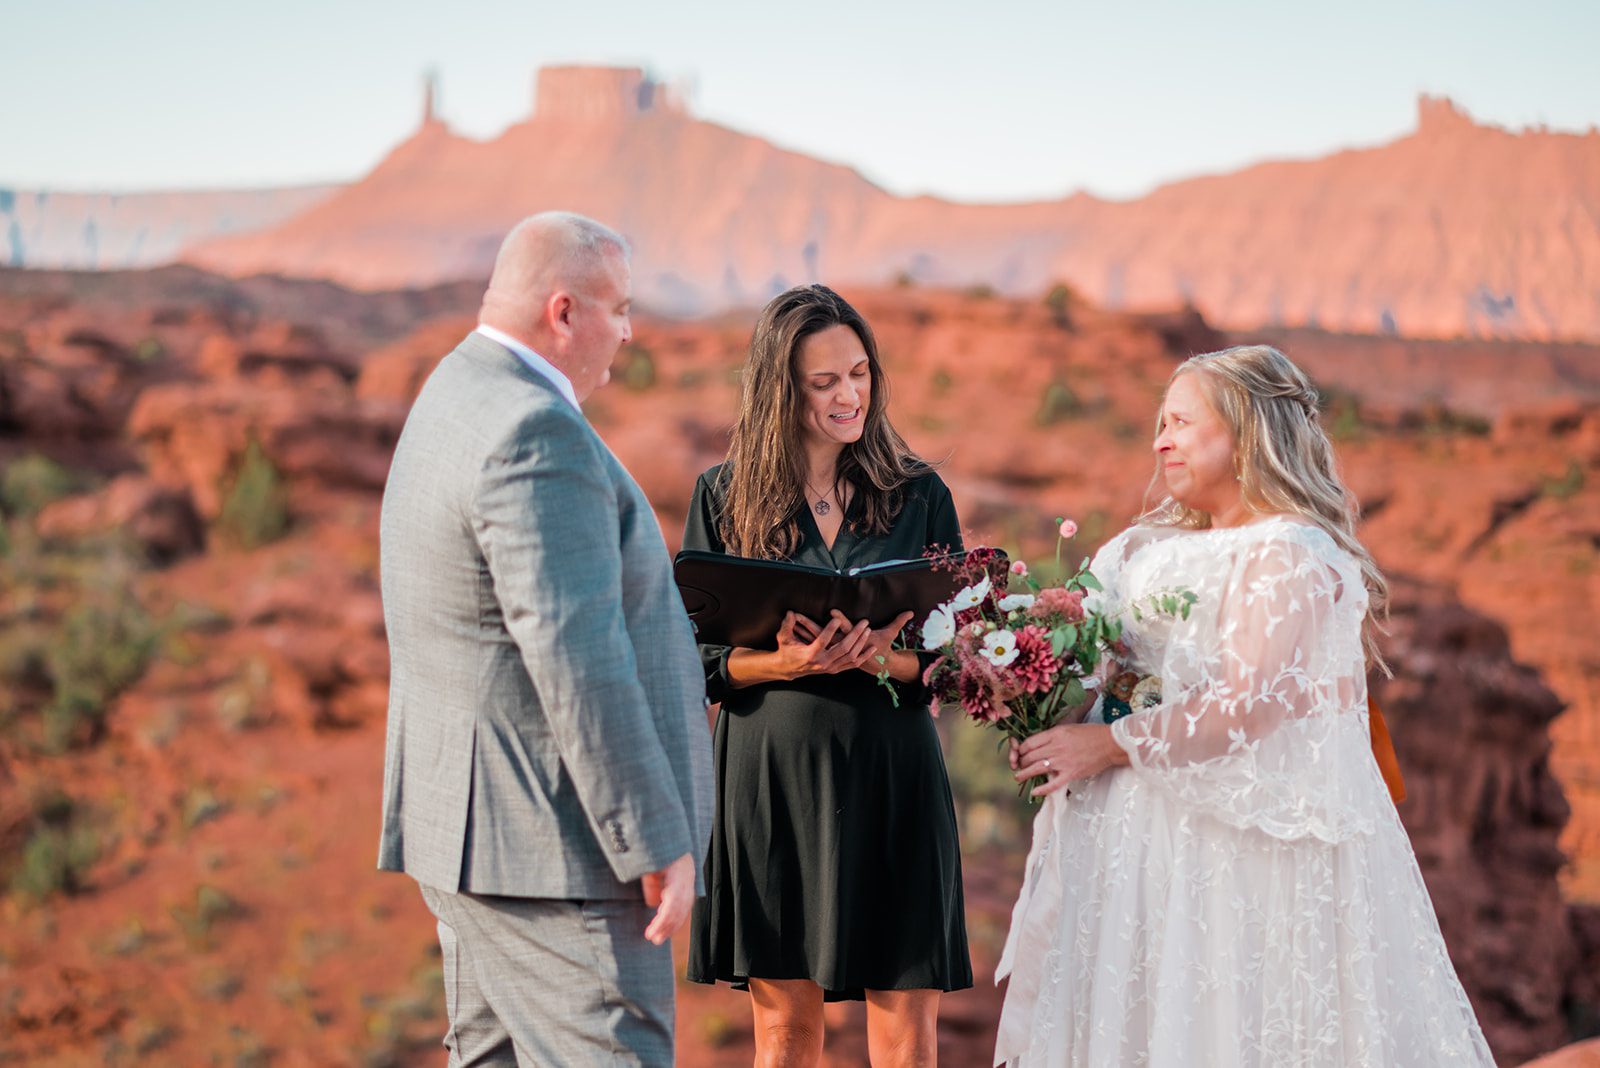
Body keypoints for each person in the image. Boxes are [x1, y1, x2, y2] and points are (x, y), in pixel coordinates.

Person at [993, 345, 1494, 1066]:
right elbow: (1097, 669)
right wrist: (1047, 724)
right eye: (1160, 422)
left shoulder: (1289, 550)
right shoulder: (1135, 547)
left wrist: (1106, 747)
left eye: (1184, 423)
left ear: (1247, 433)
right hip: (1125, 850)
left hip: (1229, 852)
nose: (1161, 439)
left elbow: (1248, 703)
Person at [377, 211, 713, 1067]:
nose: (629, 331)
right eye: (619, 308)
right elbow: (577, 657)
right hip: (556, 855)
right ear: (563, 313)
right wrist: (651, 837)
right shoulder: (538, 432)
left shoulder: (455, 387)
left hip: (467, 832)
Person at [684, 284, 972, 1066]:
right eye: (823, 383)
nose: (849, 396)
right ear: (781, 391)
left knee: (907, 1042)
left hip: (893, 775)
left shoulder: (919, 496)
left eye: (859, 374)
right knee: (783, 1039)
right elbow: (695, 661)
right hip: (770, 781)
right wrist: (784, 661)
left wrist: (884, 656)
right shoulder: (723, 496)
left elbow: (957, 663)